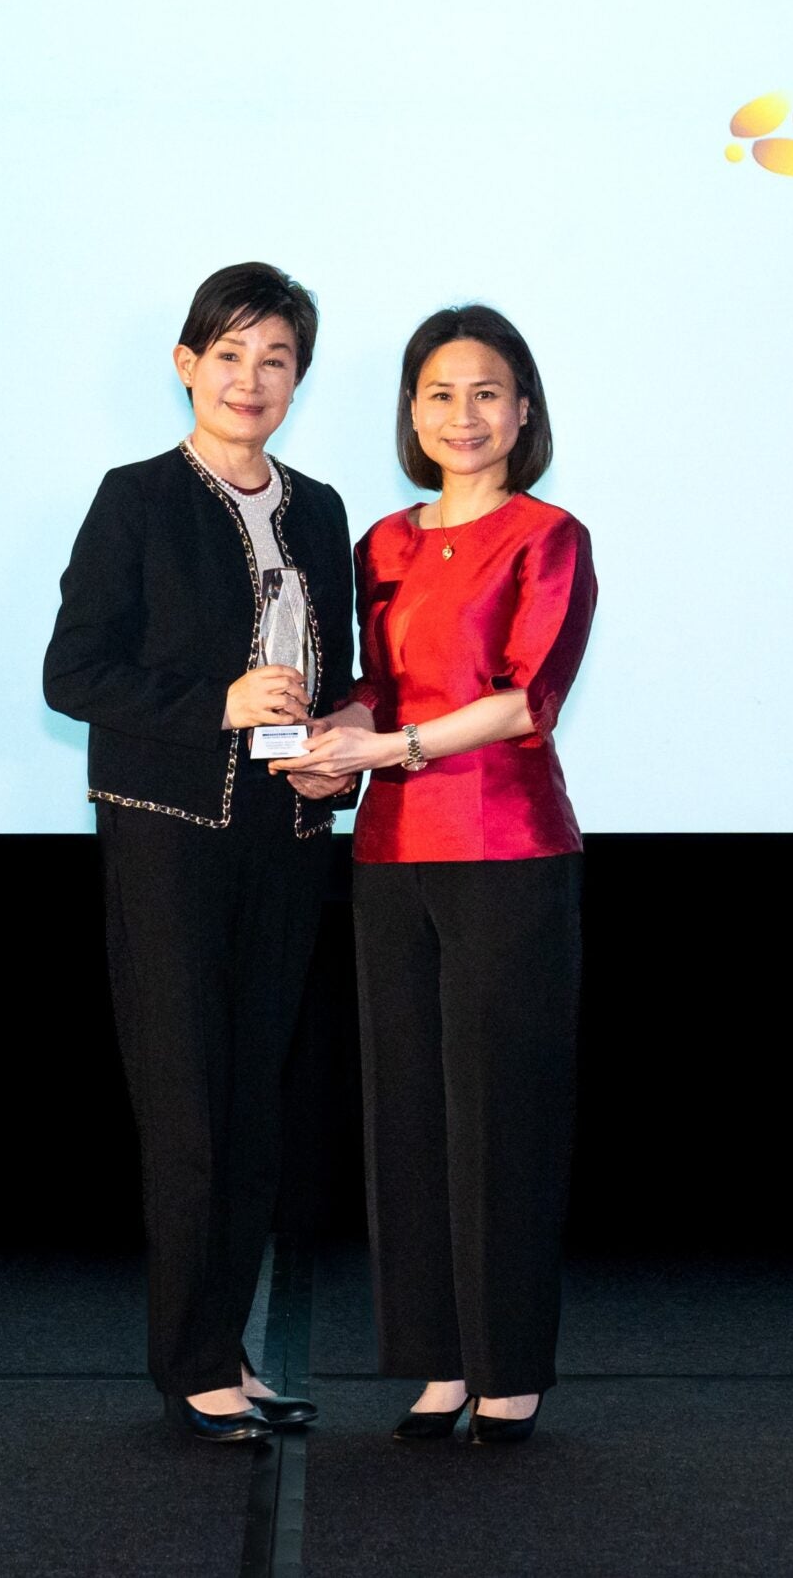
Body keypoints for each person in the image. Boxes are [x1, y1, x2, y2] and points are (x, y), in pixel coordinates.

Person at [42, 262, 358, 1443]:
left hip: (287, 836)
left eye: (275, 360)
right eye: (229, 355)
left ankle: (227, 1346)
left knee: (258, 1107)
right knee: (188, 1108)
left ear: (298, 381)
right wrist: (215, 704)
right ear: (186, 365)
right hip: (168, 836)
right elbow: (73, 673)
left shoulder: (320, 508)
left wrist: (339, 751)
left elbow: (336, 671)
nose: (250, 379)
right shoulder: (135, 498)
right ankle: (189, 1363)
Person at [279, 304, 597, 1447]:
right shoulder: (383, 543)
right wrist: (329, 739)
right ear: (411, 412)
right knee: (406, 1113)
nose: (463, 415)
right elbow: (379, 686)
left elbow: (523, 700)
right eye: (439, 394)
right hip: (390, 855)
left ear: (523, 410)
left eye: (485, 393)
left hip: (508, 853)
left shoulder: (548, 536)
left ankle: (508, 1366)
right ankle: (438, 1362)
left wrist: (391, 746)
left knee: (502, 1112)